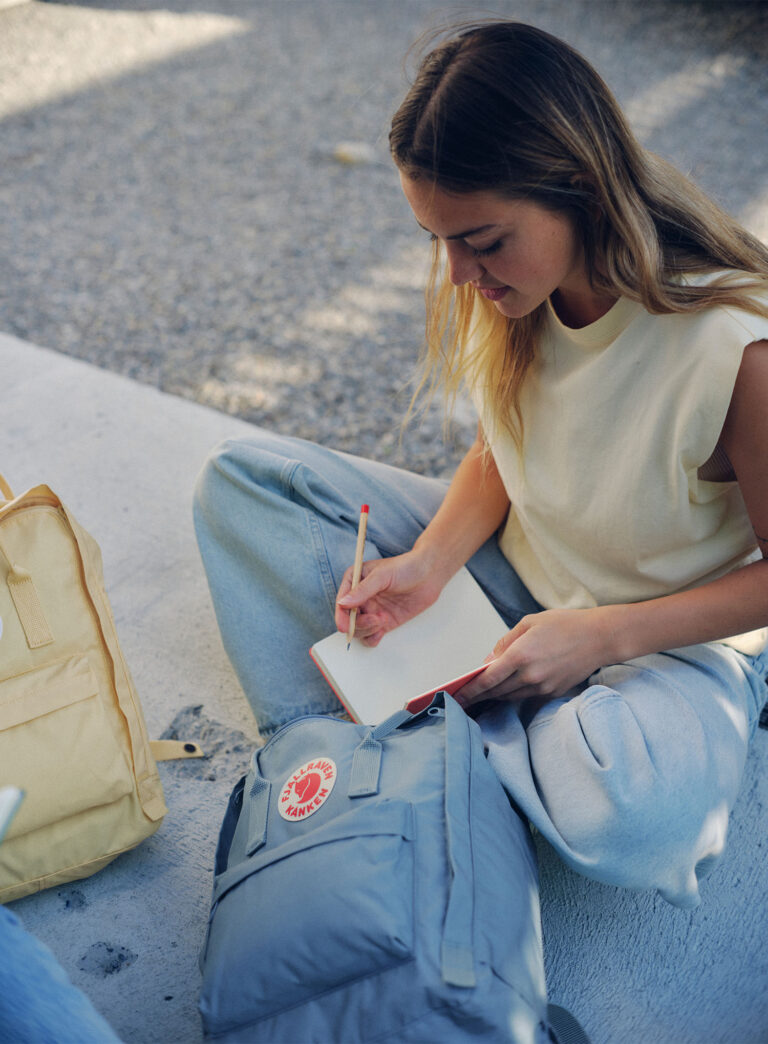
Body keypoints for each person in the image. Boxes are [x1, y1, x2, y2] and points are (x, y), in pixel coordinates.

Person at [194, 19, 768, 921]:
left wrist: (602, 637)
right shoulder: (518, 282)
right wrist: (427, 566)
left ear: (576, 186)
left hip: (659, 642)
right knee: (244, 483)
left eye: (481, 240)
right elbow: (501, 446)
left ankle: (403, 748)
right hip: (515, 572)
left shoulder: (734, 347)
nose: (459, 273)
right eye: (437, 241)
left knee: (627, 804)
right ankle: (458, 737)